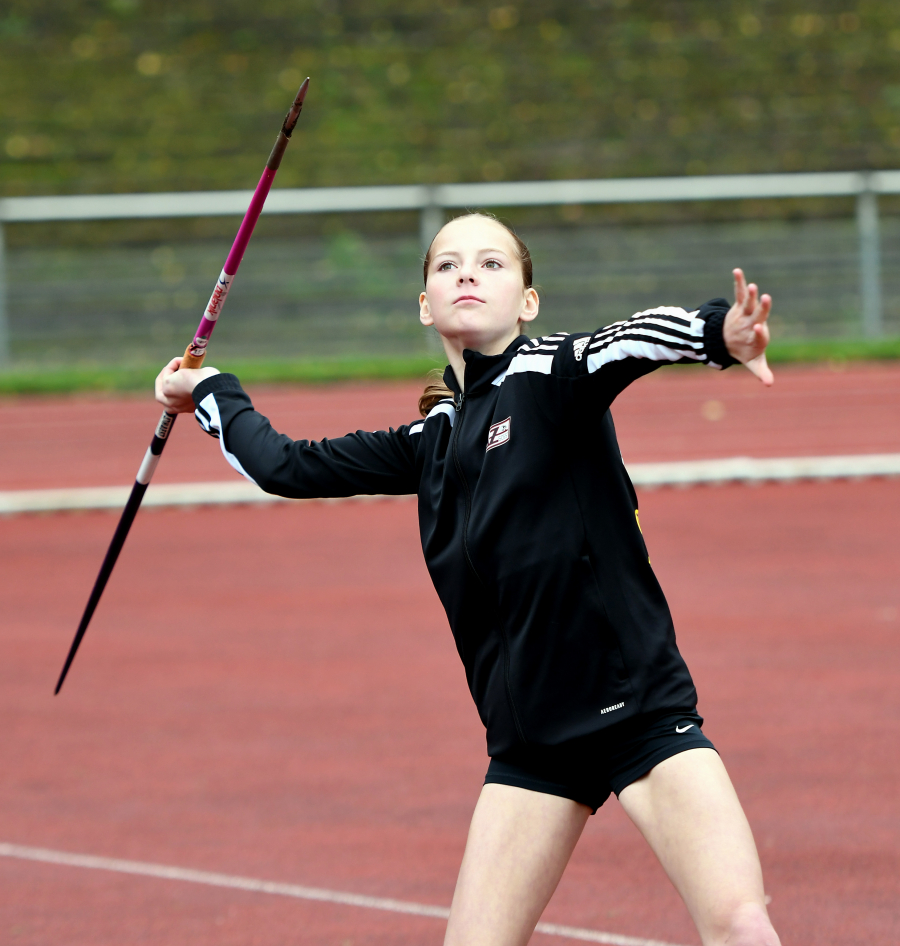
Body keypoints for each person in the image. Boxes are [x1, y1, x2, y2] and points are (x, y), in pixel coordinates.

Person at [156, 212, 780, 946]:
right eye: (448, 266)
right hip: (530, 744)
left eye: (490, 264)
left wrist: (720, 336)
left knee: (739, 923)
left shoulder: (556, 372)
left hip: (636, 714)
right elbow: (285, 466)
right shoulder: (430, 441)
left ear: (527, 301)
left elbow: (636, 337)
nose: (467, 276)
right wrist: (207, 389)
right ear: (426, 305)